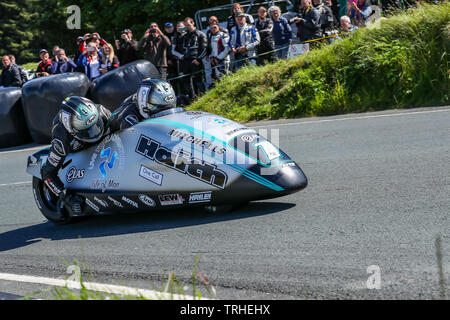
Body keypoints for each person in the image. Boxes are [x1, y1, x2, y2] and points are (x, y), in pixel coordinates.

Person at [41, 96, 112, 216]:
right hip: (77, 150)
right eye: (87, 131)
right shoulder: (61, 139)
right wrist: (65, 196)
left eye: (96, 125)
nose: (94, 132)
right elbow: (47, 172)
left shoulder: (101, 111)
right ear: (72, 131)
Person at [108, 78, 177, 132]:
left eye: (169, 107)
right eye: (160, 109)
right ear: (144, 106)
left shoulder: (149, 103)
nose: (165, 115)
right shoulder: (129, 118)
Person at [180, 17, 207, 102]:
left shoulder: (200, 34)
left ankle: (204, 97)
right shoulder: (184, 36)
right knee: (186, 81)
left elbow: (205, 49)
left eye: (188, 25)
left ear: (193, 23)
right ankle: (192, 99)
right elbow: (179, 47)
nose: (187, 27)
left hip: (196, 60)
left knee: (199, 80)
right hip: (186, 61)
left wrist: (198, 59)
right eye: (185, 25)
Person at [204, 16, 229, 89]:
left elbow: (227, 48)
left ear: (217, 24)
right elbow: (210, 47)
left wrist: (218, 58)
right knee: (218, 77)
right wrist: (211, 56)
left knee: (225, 77)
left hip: (223, 59)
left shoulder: (223, 33)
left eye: (214, 27)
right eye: (211, 27)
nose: (213, 29)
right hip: (215, 59)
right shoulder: (210, 35)